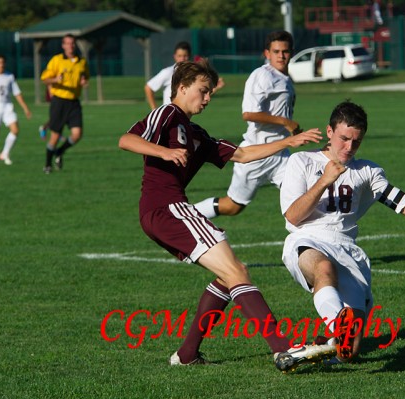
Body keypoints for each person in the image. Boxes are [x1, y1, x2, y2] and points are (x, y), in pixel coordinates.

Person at [118, 60, 335, 372]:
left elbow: (243, 154)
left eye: (210, 93)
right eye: (202, 91)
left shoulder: (195, 133)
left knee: (231, 273)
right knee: (236, 272)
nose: (206, 98)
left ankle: (187, 353)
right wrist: (164, 152)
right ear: (181, 88)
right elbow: (126, 139)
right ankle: (282, 349)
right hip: (166, 208)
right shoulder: (167, 113)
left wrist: (288, 142)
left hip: (166, 212)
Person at [279, 100, 405, 363]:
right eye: (343, 139)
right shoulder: (302, 161)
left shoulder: (368, 172)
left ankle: (316, 347)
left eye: (356, 141)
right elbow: (294, 215)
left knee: (348, 353)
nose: (349, 147)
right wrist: (325, 179)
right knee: (324, 269)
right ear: (329, 132)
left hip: (348, 250)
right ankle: (339, 324)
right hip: (307, 239)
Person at [194, 31, 301, 219]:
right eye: (276, 51)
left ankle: (304, 243)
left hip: (281, 154)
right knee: (232, 207)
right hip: (256, 154)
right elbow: (248, 114)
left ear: (291, 52)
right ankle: (188, 215)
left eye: (285, 51)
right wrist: (285, 122)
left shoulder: (284, 77)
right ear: (267, 53)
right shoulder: (262, 75)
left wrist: (290, 129)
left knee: (301, 199)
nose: (281, 56)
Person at [40, 34, 89, 174]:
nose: (70, 46)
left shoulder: (81, 62)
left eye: (72, 43)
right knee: (54, 136)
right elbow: (44, 79)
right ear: (63, 45)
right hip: (59, 102)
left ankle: (60, 152)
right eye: (67, 43)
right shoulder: (57, 60)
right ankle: (47, 165)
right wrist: (55, 79)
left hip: (74, 102)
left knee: (77, 134)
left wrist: (83, 82)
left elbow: (85, 76)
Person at [145, 41, 224, 111]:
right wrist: (154, 109)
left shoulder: (194, 74)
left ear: (190, 56)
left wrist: (215, 88)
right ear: (175, 56)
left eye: (185, 56)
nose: (182, 59)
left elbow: (199, 95)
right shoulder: (168, 72)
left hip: (184, 116)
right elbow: (148, 88)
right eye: (179, 56)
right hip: (170, 115)